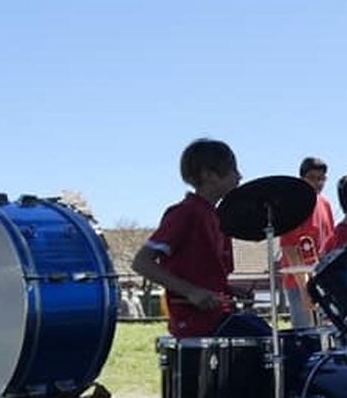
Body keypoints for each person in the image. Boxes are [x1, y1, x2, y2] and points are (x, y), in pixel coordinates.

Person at [132, 139, 269, 340]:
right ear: (209, 175)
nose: (239, 176)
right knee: (274, 347)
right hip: (195, 325)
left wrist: (229, 290)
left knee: (274, 342)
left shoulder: (217, 217)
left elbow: (204, 276)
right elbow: (142, 263)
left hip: (218, 318)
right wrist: (191, 292)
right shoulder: (185, 213)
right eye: (232, 169)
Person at [276, 156, 335, 328]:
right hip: (299, 282)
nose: (317, 183)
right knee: (306, 338)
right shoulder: (293, 205)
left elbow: (329, 243)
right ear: (301, 179)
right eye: (312, 178)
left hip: (322, 280)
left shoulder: (325, 204)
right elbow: (289, 247)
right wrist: (304, 288)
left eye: (321, 178)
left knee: (328, 338)